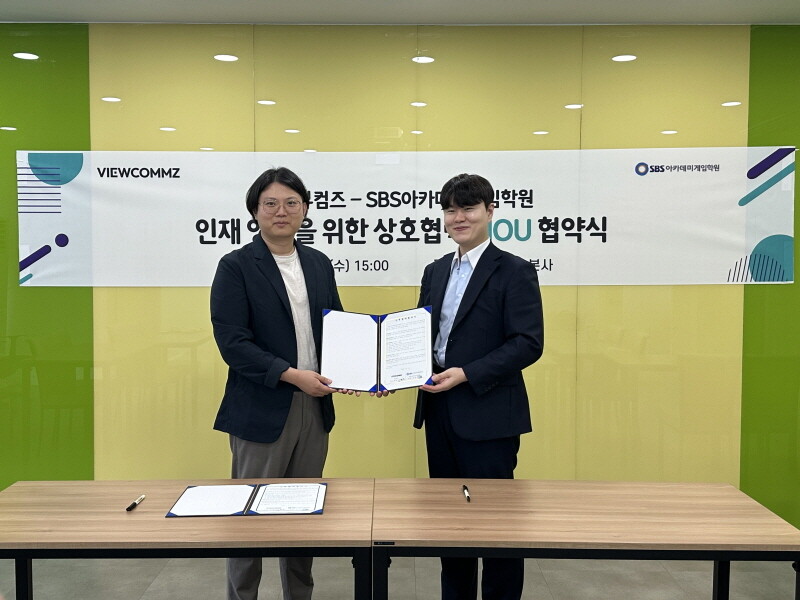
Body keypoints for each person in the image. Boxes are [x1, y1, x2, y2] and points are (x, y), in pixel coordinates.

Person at [211, 167, 342, 600]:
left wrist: (352, 370)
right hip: (261, 408)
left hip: (314, 407)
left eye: (291, 203)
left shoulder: (318, 263)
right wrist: (291, 375)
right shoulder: (235, 266)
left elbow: (337, 327)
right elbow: (233, 343)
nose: (281, 211)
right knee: (248, 519)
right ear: (255, 210)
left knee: (303, 516)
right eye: (270, 203)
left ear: (304, 210)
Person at [414, 173, 544, 600]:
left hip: (489, 415)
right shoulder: (435, 271)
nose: (458, 218)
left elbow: (527, 343)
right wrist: (395, 371)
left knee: (497, 526)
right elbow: (421, 336)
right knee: (450, 525)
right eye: (450, 210)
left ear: (490, 211)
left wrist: (467, 373)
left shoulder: (515, 271)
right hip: (439, 413)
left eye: (468, 208)